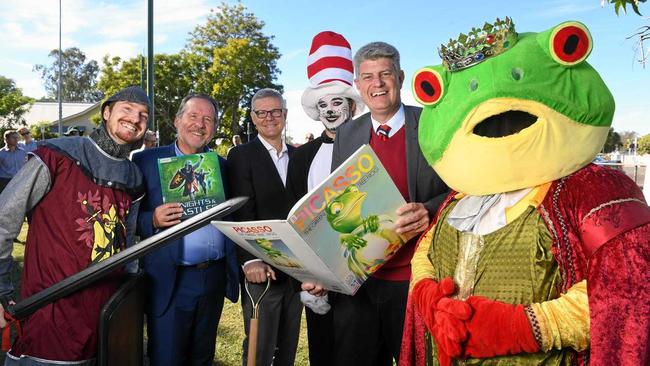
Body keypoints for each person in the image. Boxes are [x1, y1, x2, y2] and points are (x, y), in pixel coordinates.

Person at [402, 19, 649, 366]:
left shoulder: (595, 191)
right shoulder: (457, 199)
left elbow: (625, 292)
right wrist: (428, 297)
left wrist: (518, 327)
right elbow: (424, 256)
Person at [0, 85, 150, 365]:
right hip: (50, 312)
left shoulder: (134, 177)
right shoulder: (58, 155)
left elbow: (127, 243)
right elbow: (3, 220)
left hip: (104, 318)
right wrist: (0, 289)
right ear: (106, 112)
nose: (135, 118)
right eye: (127, 109)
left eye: (143, 115)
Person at [330, 41, 449, 366]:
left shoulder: (432, 125)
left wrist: (429, 210)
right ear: (358, 85)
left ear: (400, 76)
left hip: (415, 280)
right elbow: (336, 203)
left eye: (385, 74)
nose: (377, 84)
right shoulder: (346, 135)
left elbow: (463, 188)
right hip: (361, 283)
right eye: (367, 77)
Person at [132, 93, 239, 366]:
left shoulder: (222, 166)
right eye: (193, 116)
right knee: (166, 357)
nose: (200, 125)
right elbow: (125, 217)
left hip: (212, 277)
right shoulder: (146, 161)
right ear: (178, 120)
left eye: (208, 120)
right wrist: (151, 221)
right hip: (170, 278)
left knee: (202, 358)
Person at [285, 31, 365, 366]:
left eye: (337, 103)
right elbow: (292, 216)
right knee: (322, 349)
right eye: (323, 105)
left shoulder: (369, 149)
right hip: (317, 271)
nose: (330, 111)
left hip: (364, 267)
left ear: (350, 105)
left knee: (361, 350)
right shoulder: (302, 157)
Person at [227, 88, 301, 366]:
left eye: (276, 111)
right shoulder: (241, 155)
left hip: (297, 269)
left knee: (288, 347)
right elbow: (241, 211)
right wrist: (250, 260)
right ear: (253, 118)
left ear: (284, 114)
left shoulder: (298, 155)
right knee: (260, 349)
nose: (270, 117)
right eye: (262, 112)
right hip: (262, 268)